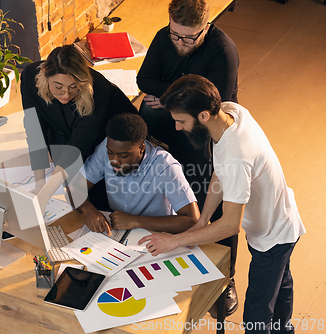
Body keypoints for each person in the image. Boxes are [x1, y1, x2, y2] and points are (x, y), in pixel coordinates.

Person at [140, 75, 305, 333]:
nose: (177, 128)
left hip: (272, 237)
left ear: (203, 115)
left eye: (181, 121)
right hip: (279, 217)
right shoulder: (230, 112)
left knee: (256, 316)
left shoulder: (237, 157)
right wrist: (202, 220)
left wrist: (173, 241)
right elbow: (220, 171)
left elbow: (230, 226)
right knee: (281, 283)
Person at [136, 0, 240, 315]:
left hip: (201, 139)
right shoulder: (162, 37)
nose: (180, 43)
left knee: (214, 202)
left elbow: (210, 106)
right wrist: (176, 102)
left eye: (189, 38)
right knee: (173, 199)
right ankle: (177, 259)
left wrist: (165, 98)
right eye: (175, 35)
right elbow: (143, 80)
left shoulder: (223, 51)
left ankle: (226, 279)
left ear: (205, 28)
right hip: (164, 134)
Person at [21, 45, 137, 209]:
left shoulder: (99, 90)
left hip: (108, 135)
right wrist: (40, 184)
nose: (66, 94)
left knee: (94, 196)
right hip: (66, 129)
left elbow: (78, 147)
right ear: (45, 73)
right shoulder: (29, 77)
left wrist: (45, 194)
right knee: (62, 182)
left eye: (73, 86)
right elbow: (34, 131)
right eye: (58, 86)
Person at [71, 113, 199, 236]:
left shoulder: (164, 166)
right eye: (110, 153)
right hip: (118, 231)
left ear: (141, 149)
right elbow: (74, 188)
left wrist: (135, 221)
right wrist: (87, 209)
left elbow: (192, 220)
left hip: (157, 234)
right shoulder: (107, 147)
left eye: (124, 156)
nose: (114, 160)